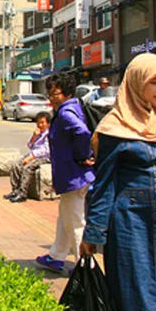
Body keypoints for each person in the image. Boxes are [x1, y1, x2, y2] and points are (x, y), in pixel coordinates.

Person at [80, 53, 156, 311]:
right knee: (140, 296)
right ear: (136, 83)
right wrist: (93, 233)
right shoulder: (115, 127)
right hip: (135, 228)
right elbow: (104, 184)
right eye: (154, 83)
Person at [35, 73, 95, 273]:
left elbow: (82, 132)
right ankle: (56, 256)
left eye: (56, 93)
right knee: (65, 217)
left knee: (75, 222)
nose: (51, 97)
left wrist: (82, 155)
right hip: (73, 174)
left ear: (67, 93)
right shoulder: (70, 108)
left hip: (73, 175)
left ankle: (84, 266)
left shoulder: (66, 112)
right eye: (49, 93)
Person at [4, 112, 51, 203]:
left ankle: (23, 193)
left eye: (42, 123)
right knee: (15, 165)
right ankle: (15, 190)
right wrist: (34, 136)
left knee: (27, 167)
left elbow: (46, 150)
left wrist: (31, 157)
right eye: (38, 123)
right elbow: (30, 145)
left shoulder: (49, 134)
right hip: (33, 154)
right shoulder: (39, 133)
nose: (40, 125)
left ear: (48, 123)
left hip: (44, 157)